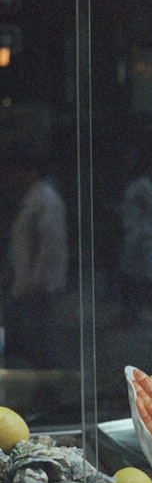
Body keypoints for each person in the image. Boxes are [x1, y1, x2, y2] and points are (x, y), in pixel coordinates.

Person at [3, 153, 68, 368]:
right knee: (33, 339)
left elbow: (50, 246)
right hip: (29, 283)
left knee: (42, 340)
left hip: (40, 286)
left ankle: (49, 392)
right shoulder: (32, 198)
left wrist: (37, 280)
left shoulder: (45, 199)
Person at [118, 148, 152, 347]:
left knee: (150, 274)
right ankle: (139, 309)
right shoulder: (132, 184)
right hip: (134, 236)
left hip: (146, 236)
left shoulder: (144, 184)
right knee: (132, 272)